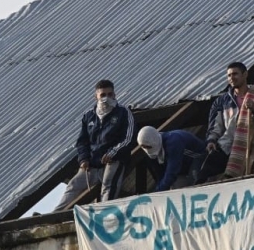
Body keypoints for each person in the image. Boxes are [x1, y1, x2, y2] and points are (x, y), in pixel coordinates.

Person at [53, 80, 136, 211]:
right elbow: (82, 141)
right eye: (103, 95)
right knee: (73, 186)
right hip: (92, 163)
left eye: (110, 94)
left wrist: (112, 153)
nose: (106, 98)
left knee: (108, 187)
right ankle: (54, 216)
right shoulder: (88, 116)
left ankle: (104, 214)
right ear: (96, 97)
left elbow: (128, 138)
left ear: (114, 95)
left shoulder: (124, 113)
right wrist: (84, 159)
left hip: (112, 160)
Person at [205, 63, 254, 179]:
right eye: (228, 75)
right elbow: (216, 126)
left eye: (235, 74)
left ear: (245, 74)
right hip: (228, 148)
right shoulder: (222, 101)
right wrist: (211, 140)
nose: (231, 78)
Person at [136, 127, 207, 192]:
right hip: (182, 167)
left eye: (148, 147)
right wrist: (159, 190)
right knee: (177, 190)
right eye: (145, 147)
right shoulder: (152, 152)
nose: (147, 150)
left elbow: (172, 171)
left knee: (194, 184)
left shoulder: (173, 142)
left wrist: (158, 191)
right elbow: (160, 175)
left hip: (198, 157)